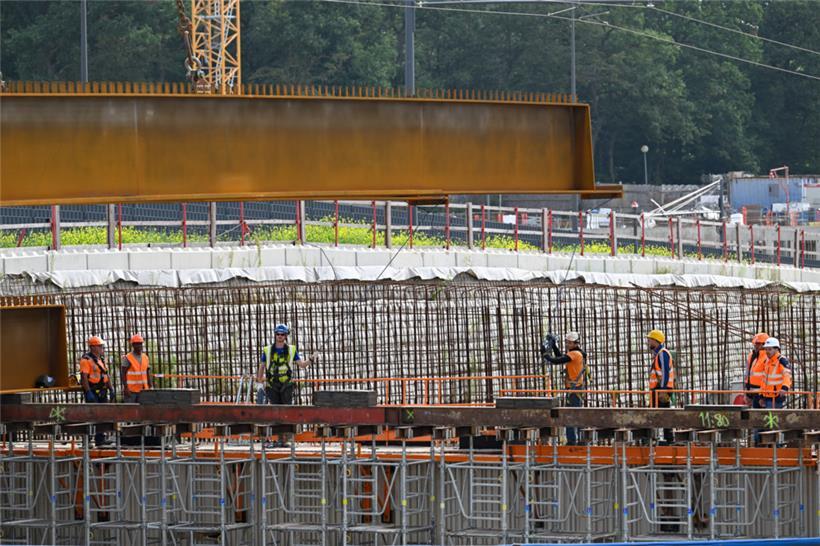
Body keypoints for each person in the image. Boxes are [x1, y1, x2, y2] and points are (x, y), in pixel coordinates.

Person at [541, 332, 587, 445]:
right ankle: (579, 440)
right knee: (575, 414)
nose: (567, 344)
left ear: (575, 343)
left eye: (569, 342)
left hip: (574, 388)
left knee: (571, 415)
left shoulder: (575, 354)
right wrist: (554, 346)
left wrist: (546, 355)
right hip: (574, 388)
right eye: (567, 342)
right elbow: (560, 357)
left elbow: (557, 361)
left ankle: (573, 441)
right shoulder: (576, 353)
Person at [255, 324, 316, 405]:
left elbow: (302, 365)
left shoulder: (291, 349)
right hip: (272, 385)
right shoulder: (267, 350)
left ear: (286, 335)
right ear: (275, 334)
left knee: (287, 409)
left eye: (282, 334)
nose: (280, 336)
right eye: (278, 334)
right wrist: (259, 383)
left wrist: (311, 359)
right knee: (274, 409)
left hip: (287, 385)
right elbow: (261, 366)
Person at [80, 336, 113, 446]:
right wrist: (88, 391)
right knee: (91, 415)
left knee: (102, 415)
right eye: (99, 346)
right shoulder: (86, 360)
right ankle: (87, 440)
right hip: (92, 391)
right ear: (93, 347)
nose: (101, 348)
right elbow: (84, 377)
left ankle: (100, 439)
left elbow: (106, 375)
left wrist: (111, 388)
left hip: (102, 391)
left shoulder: (101, 360)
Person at [646, 329, 675, 444]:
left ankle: (665, 439)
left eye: (650, 340)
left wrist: (663, 390)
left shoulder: (663, 353)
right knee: (660, 413)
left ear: (656, 341)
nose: (648, 342)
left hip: (661, 390)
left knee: (660, 414)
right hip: (657, 390)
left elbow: (665, 372)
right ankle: (665, 438)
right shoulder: (658, 354)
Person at [756, 337, 792, 409]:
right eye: (766, 349)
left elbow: (787, 375)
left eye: (770, 349)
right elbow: (764, 380)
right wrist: (761, 395)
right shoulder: (767, 361)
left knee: (772, 418)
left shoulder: (781, 360)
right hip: (767, 396)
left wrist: (784, 388)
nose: (767, 351)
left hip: (776, 396)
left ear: (776, 349)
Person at [121, 334, 152, 403]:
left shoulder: (145, 357)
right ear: (133, 345)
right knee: (130, 411)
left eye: (140, 344)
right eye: (137, 344)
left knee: (142, 411)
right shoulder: (128, 358)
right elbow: (123, 374)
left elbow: (147, 372)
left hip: (143, 390)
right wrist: (126, 388)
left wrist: (150, 386)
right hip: (131, 391)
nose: (139, 346)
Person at [744, 333, 769, 407]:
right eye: (755, 343)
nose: (755, 345)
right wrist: (747, 393)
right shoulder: (751, 355)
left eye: (758, 343)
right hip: (753, 392)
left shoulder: (768, 357)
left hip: (764, 393)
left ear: (764, 344)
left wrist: (763, 396)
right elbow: (747, 375)